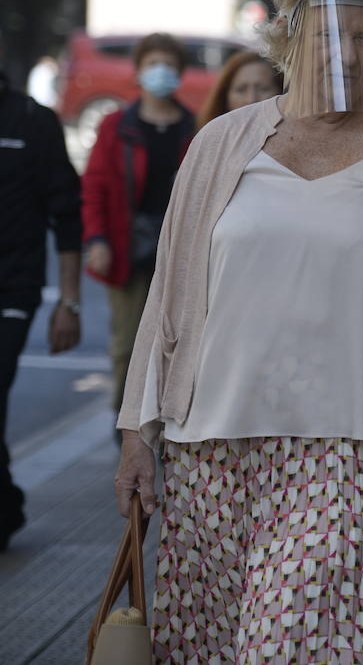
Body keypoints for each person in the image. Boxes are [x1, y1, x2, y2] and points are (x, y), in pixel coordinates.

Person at [112, 0, 363, 662]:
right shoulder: (222, 145)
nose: (348, 51)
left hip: (353, 448)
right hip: (210, 449)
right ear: (290, 34)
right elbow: (169, 300)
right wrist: (139, 433)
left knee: (295, 644)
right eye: (328, 34)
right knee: (211, 646)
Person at [82, 33, 196, 416]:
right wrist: (96, 239)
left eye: (168, 64)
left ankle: (165, 423)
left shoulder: (194, 129)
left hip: (179, 252)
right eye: (152, 64)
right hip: (126, 249)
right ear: (139, 71)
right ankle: (126, 424)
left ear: (180, 73)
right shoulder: (117, 126)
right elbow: (94, 186)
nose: (160, 72)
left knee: (176, 344)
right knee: (128, 345)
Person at [0, 68, 82, 552]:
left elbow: (67, 215)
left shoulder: (34, 120)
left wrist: (69, 303)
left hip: (12, 289)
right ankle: (6, 505)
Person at [196, 48, 284, 129]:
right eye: (241, 90)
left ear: (280, 91)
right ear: (225, 95)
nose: (251, 99)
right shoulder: (210, 139)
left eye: (263, 89)